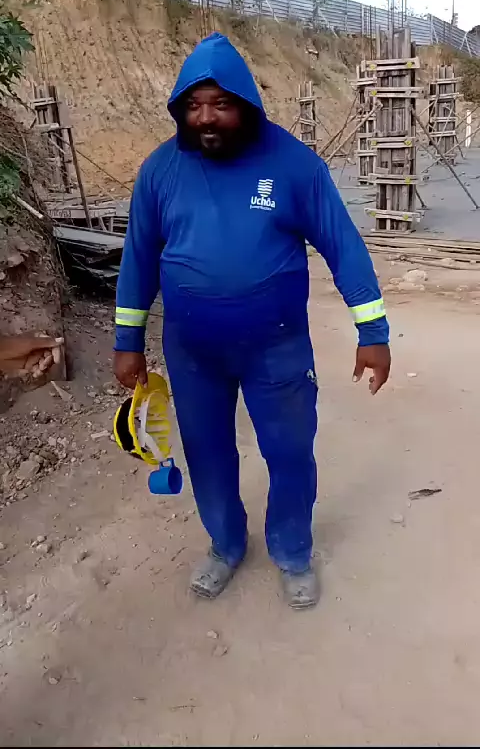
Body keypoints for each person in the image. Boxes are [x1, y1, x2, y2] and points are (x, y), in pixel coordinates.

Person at [114, 32, 390, 609]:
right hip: (194, 353)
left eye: (220, 104)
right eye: (194, 105)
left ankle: (292, 549)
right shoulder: (160, 171)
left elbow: (343, 246)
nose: (206, 118)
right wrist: (127, 341)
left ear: (245, 103)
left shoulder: (293, 165)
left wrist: (373, 332)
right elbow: (138, 258)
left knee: (289, 452)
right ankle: (225, 543)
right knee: (208, 452)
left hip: (276, 349)